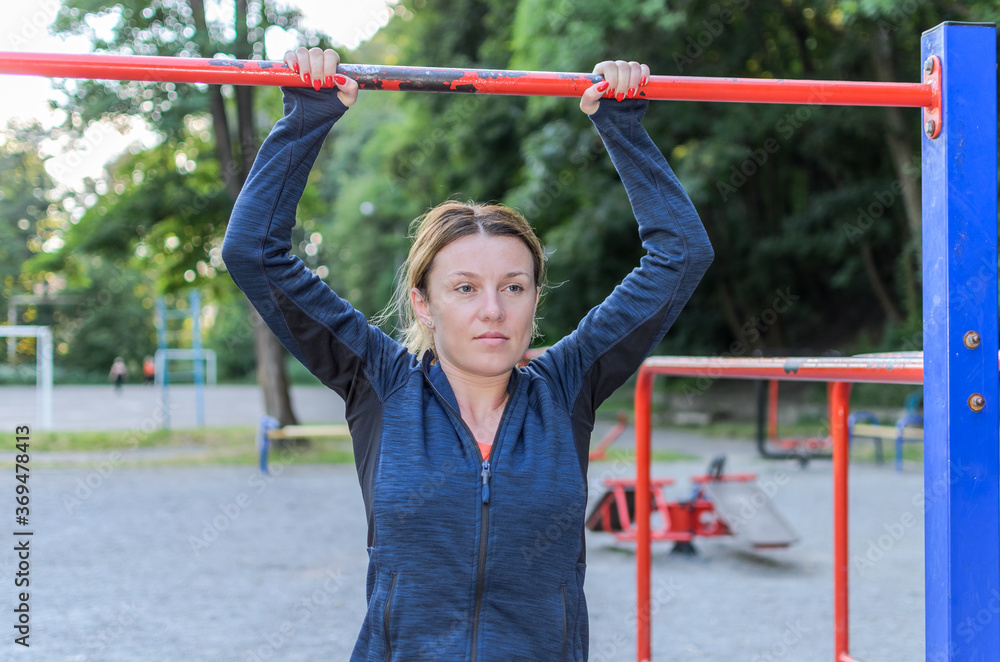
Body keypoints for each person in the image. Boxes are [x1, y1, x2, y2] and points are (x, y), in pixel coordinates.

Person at [222, 47, 713, 662]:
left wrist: (622, 126)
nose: (492, 310)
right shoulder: (379, 383)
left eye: (513, 287)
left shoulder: (568, 386)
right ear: (424, 304)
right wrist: (306, 116)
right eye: (464, 288)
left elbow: (680, 256)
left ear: (535, 300)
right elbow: (254, 253)